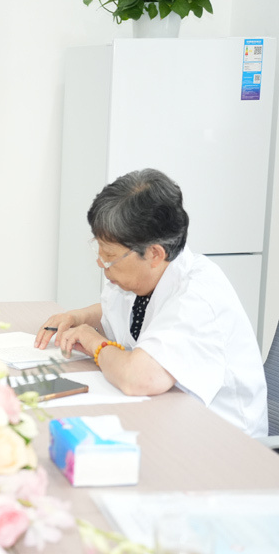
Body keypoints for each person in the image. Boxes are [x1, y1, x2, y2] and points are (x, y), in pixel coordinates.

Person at [34, 168, 268, 437]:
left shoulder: (197, 298)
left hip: (225, 441)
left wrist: (94, 342)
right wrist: (80, 317)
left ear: (154, 253)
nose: (101, 263)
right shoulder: (144, 278)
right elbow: (125, 312)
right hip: (168, 418)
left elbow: (139, 378)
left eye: (109, 256)